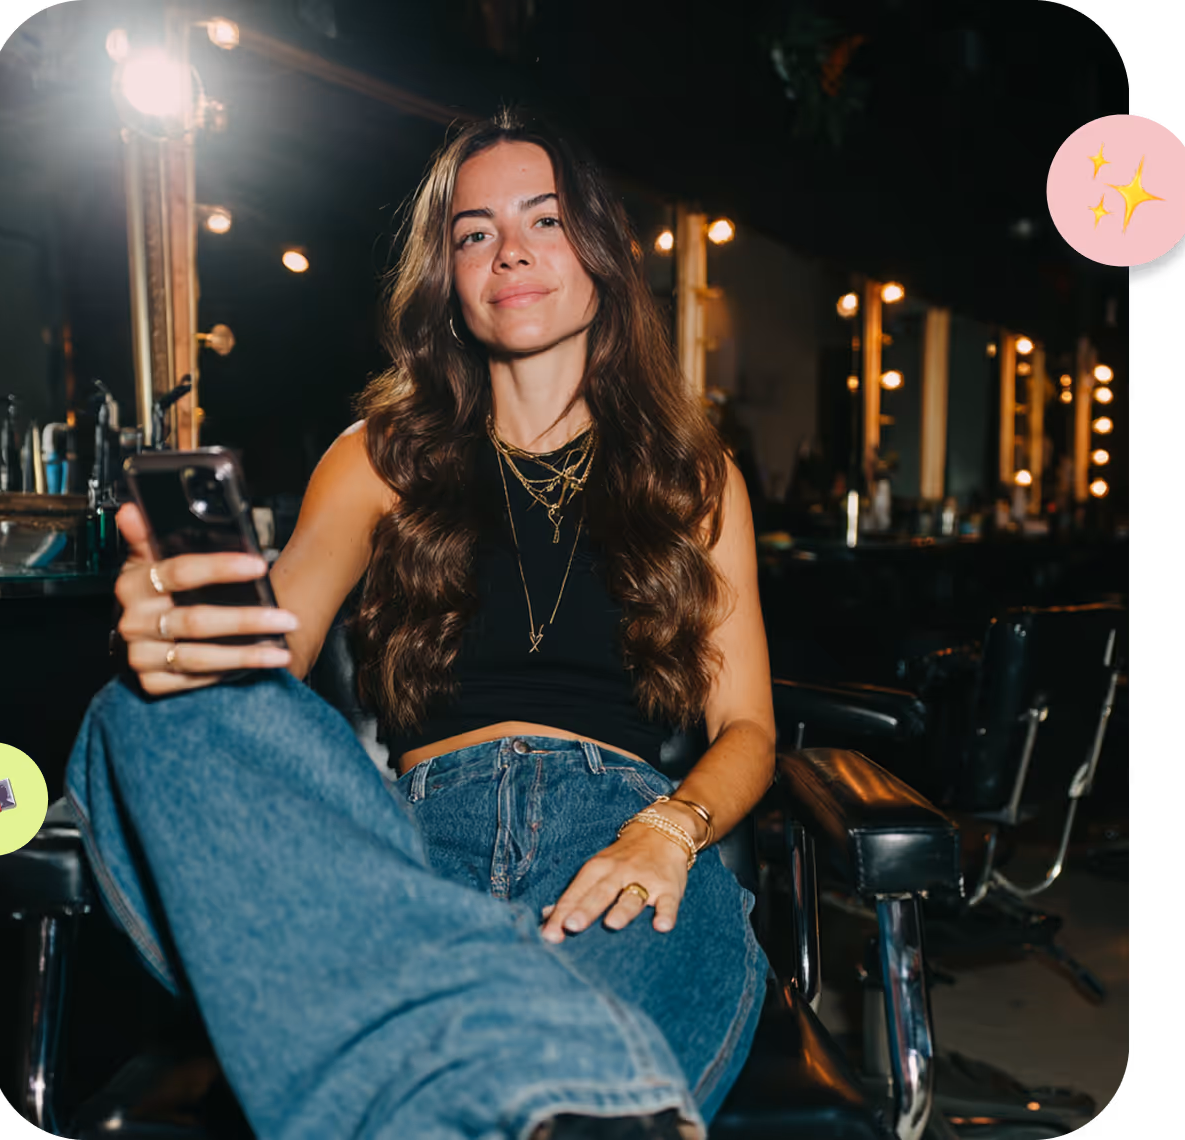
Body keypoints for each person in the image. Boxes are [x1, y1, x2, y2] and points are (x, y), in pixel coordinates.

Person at [67, 107, 776, 1140]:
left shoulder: (693, 476)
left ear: (604, 252)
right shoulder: (375, 457)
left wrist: (666, 834)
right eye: (473, 233)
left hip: (618, 842)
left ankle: (444, 1038)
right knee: (137, 716)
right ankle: (481, 1020)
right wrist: (185, 634)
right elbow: (275, 646)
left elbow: (748, 731)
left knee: (529, 1080)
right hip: (398, 851)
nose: (510, 253)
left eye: (544, 219)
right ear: (446, 275)